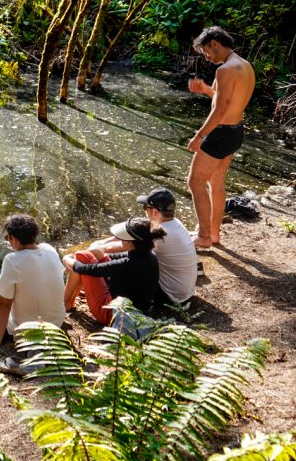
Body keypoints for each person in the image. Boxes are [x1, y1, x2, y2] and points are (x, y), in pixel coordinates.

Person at [186, 26, 255, 248]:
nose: (206, 56)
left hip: (220, 134)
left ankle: (204, 236)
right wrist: (206, 89)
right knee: (216, 183)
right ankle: (214, 234)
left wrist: (199, 136)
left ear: (215, 43)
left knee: (195, 182)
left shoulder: (224, 70)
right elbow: (226, 98)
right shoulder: (243, 65)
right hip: (236, 133)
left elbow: (220, 110)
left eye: (206, 51)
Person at [0, 214, 66, 354]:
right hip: (56, 323)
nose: (8, 241)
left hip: (28, 330)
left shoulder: (13, 260)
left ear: (14, 239)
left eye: (8, 238)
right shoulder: (49, 249)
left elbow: (3, 304)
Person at [85, 188, 198, 307]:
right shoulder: (172, 223)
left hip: (171, 295)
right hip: (184, 290)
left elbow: (122, 245)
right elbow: (132, 233)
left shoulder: (162, 236)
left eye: (145, 208)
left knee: (129, 261)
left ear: (154, 212)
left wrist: (98, 248)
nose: (144, 211)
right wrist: (102, 241)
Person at [63, 217, 165, 324]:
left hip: (111, 313)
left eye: (123, 238)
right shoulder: (147, 255)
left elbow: (85, 269)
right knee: (94, 252)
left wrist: (66, 259)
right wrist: (91, 254)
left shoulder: (129, 263)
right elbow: (112, 257)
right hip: (128, 305)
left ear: (131, 243)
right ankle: (71, 298)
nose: (120, 240)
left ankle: (66, 303)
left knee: (82, 256)